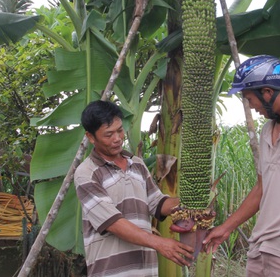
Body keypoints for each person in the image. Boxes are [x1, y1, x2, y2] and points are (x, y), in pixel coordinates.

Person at [202, 55, 280, 276]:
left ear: (267, 92)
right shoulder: (267, 131)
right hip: (260, 248)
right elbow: (262, 188)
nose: (251, 107)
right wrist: (225, 228)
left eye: (249, 99)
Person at [74, 100, 194, 276]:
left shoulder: (136, 164)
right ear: (91, 137)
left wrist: (192, 202)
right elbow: (113, 223)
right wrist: (160, 243)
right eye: (108, 135)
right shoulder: (87, 173)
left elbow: (158, 203)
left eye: (120, 130)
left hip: (146, 270)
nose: (117, 139)